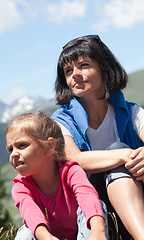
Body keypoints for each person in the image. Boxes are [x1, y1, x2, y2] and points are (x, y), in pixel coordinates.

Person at [51, 35, 144, 239]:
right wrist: (124, 155)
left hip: (136, 196)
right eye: (68, 71)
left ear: (104, 68)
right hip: (92, 209)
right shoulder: (61, 121)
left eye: (83, 65)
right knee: (118, 151)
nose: (75, 74)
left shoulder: (130, 111)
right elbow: (75, 159)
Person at [5, 111, 107, 240]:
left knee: (96, 206)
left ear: (49, 146)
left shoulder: (71, 171)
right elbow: (31, 213)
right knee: (26, 232)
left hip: (83, 234)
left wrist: (98, 231)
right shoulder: (21, 186)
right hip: (47, 236)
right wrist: (47, 237)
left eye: (22, 145)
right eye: (10, 149)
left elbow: (87, 196)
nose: (14, 154)